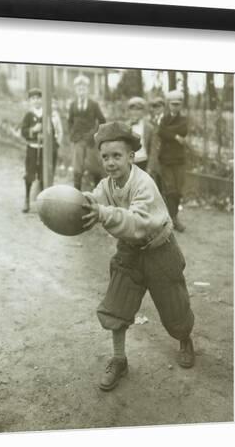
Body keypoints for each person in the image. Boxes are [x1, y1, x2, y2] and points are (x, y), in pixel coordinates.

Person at [81, 121, 195, 391]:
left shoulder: (144, 183)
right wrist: (78, 202)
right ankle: (119, 359)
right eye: (105, 157)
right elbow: (94, 199)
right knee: (116, 303)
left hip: (160, 248)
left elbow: (138, 223)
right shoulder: (107, 184)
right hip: (130, 251)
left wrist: (103, 214)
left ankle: (185, 339)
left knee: (174, 307)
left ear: (131, 157)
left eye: (117, 156)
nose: (110, 163)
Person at [68, 74, 106, 190]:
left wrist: (94, 134)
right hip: (78, 140)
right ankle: (76, 194)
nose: (81, 91)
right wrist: (72, 134)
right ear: (76, 90)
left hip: (91, 141)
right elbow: (69, 121)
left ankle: (98, 194)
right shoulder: (73, 105)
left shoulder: (93, 104)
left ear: (87, 90)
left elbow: (102, 121)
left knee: (94, 167)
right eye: (79, 88)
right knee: (77, 168)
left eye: (83, 88)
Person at [158, 90, 188, 232]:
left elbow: (183, 130)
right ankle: (173, 220)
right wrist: (175, 136)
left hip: (178, 159)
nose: (175, 107)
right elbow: (160, 132)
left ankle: (173, 218)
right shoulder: (163, 119)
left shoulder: (184, 120)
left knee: (178, 190)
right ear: (168, 105)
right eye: (172, 104)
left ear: (181, 105)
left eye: (178, 104)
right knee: (170, 190)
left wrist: (169, 132)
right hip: (165, 159)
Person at [126, 97, 153, 172]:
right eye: (133, 110)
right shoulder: (125, 127)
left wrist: (150, 167)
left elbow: (152, 149)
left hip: (143, 161)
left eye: (138, 109)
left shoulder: (149, 127)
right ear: (129, 111)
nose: (135, 112)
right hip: (129, 163)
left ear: (143, 111)